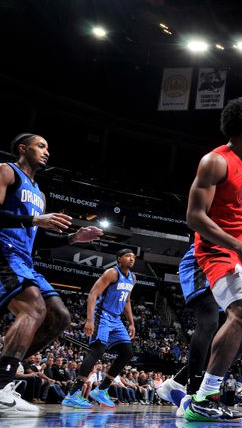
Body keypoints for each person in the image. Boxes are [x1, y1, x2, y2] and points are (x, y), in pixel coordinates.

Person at [0, 133, 103, 416]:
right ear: (23, 148)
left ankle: (4, 377)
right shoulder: (7, 171)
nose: (46, 152)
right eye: (41, 146)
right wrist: (34, 219)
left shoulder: (39, 194)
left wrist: (73, 239)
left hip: (24, 258)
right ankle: (1, 384)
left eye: (48, 148)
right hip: (3, 252)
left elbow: (35, 238)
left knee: (60, 316)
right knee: (34, 308)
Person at [183, 97, 242, 422]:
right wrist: (241, 247)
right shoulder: (214, 162)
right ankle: (205, 396)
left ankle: (206, 383)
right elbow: (194, 217)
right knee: (241, 313)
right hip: (216, 248)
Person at [159, 203, 242, 417]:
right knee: (209, 322)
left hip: (236, 258)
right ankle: (192, 394)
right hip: (205, 256)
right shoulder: (223, 183)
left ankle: (178, 383)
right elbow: (198, 219)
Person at [63, 248, 137, 408]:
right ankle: (73, 394)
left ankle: (101, 390)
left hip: (116, 319)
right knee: (98, 350)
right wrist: (89, 320)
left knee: (127, 352)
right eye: (127, 256)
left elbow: (127, 301)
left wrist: (131, 322)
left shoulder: (133, 278)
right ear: (119, 258)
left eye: (133, 256)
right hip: (101, 315)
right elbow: (92, 294)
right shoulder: (112, 273)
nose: (131, 258)